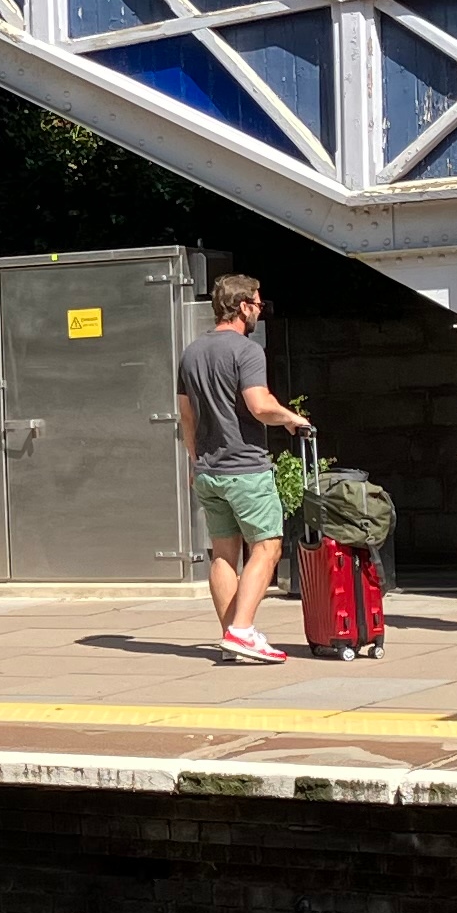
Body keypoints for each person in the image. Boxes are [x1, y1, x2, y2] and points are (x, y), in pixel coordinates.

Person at [177, 272, 307, 666]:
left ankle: (231, 636)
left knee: (223, 554)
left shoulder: (192, 352)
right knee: (267, 546)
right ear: (243, 306)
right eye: (258, 304)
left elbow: (186, 416)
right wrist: (291, 418)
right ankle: (243, 630)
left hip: (208, 470)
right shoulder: (247, 351)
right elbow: (259, 405)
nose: (260, 311)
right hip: (245, 468)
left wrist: (195, 461)